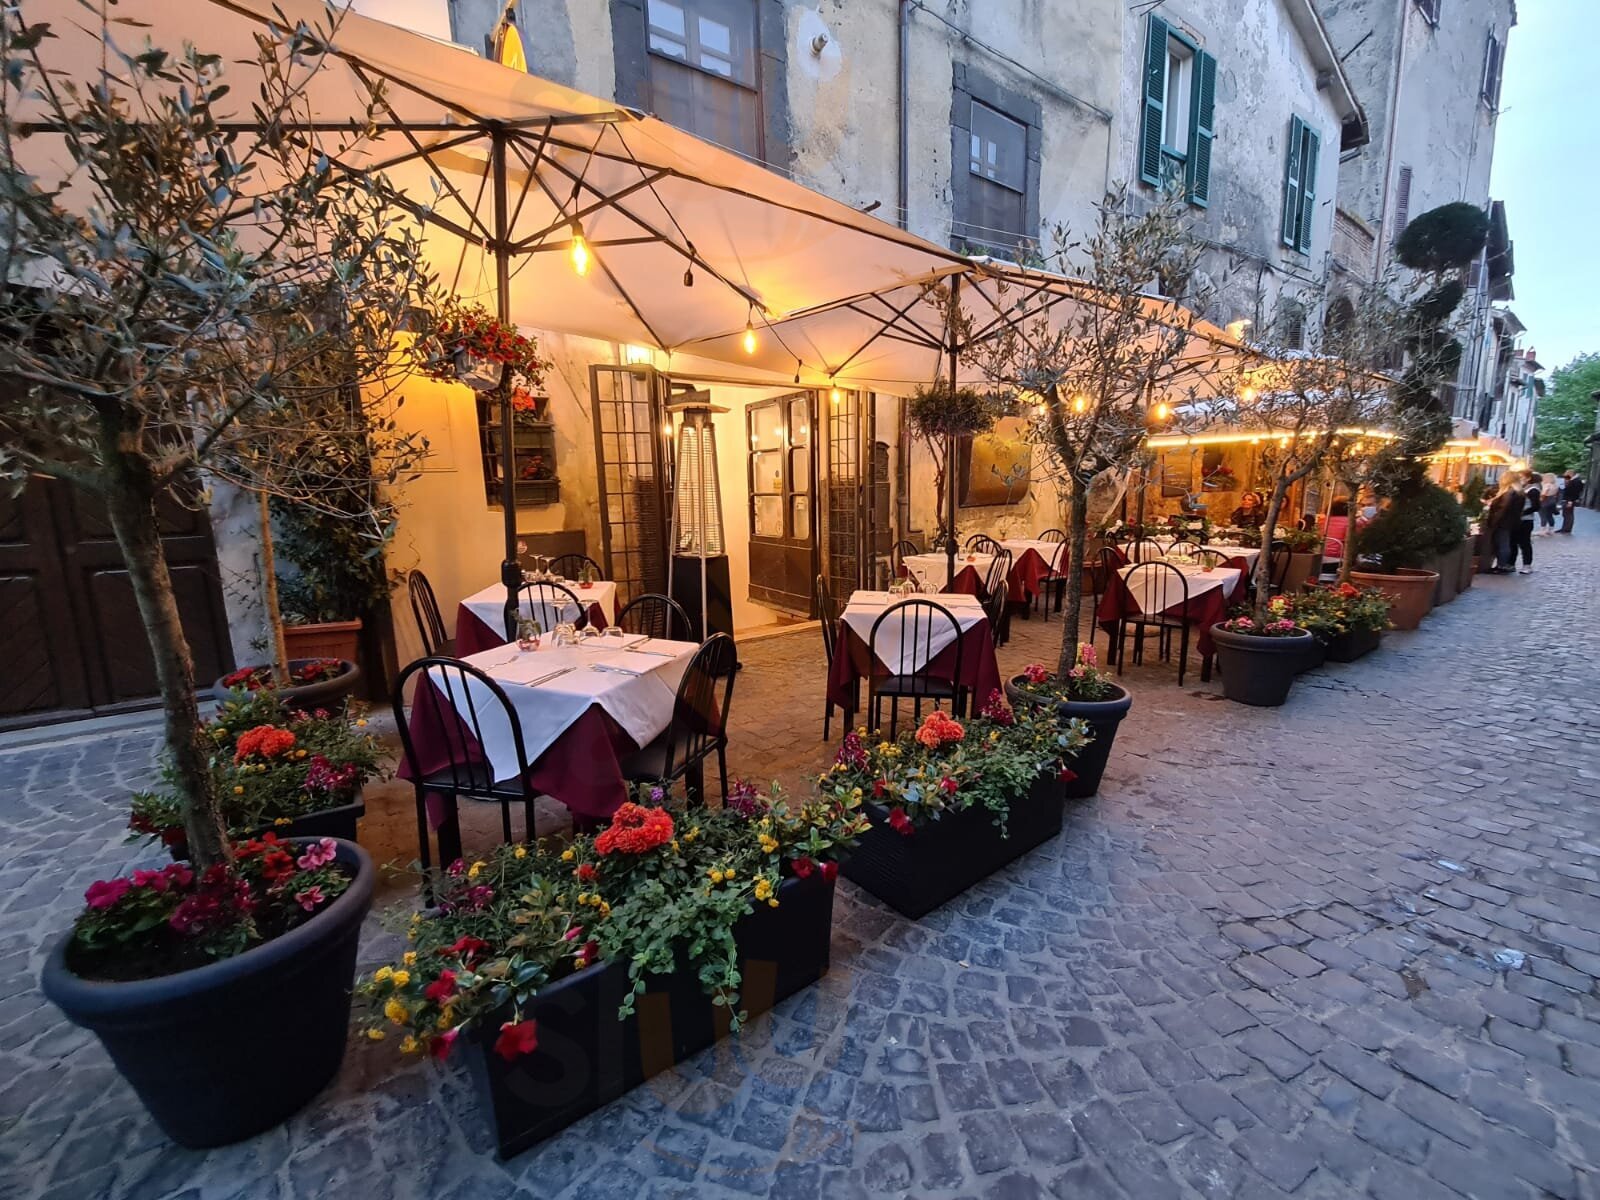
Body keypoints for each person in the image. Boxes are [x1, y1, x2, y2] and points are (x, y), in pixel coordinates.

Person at [1483, 476, 1524, 573]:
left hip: (1503, 522)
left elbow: (1503, 509)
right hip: (1510, 522)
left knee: (1502, 543)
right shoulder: (1518, 493)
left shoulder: (1509, 493)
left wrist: (1494, 521)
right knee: (1504, 543)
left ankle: (1501, 565)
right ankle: (1502, 564)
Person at [1513, 472, 1540, 573]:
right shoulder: (1523, 488)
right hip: (1517, 519)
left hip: (1526, 520)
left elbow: (1536, 506)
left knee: (1525, 542)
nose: (1520, 479)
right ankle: (1511, 563)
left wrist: (1522, 513)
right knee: (1514, 542)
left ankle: (1527, 565)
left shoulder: (1533, 490)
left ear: (1528, 478)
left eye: (1522, 477)